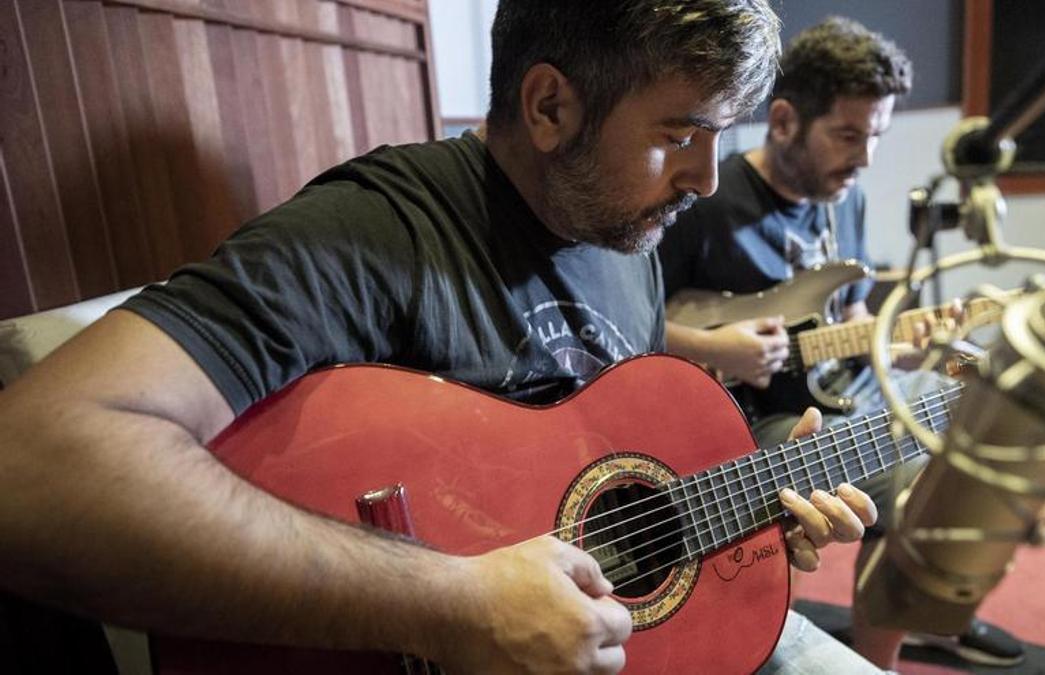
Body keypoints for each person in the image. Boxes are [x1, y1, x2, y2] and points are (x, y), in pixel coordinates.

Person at [0, 3, 886, 673]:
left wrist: (736, 521)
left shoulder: (630, 235)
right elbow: (30, 467)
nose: (706, 176)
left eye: (721, 134)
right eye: (681, 132)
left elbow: (596, 477)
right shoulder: (372, 230)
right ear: (549, 107)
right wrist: (452, 603)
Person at [657, 16, 1026, 670]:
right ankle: (879, 657)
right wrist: (717, 348)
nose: (865, 158)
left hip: (844, 386)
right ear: (783, 121)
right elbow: (632, 322)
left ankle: (924, 615)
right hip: (759, 421)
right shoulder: (708, 200)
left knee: (981, 439)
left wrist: (905, 345)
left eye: (877, 135)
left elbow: (853, 315)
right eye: (848, 134)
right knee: (920, 491)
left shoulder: (841, 198)